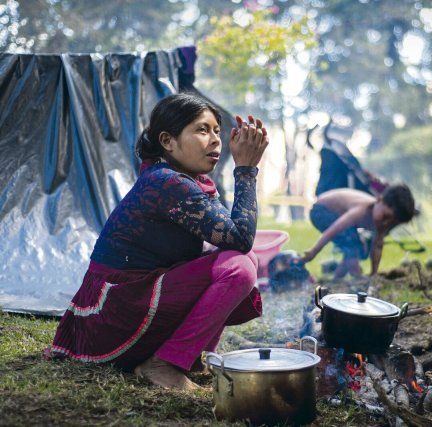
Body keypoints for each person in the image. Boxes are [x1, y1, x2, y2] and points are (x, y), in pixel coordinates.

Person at [46, 93, 269, 391]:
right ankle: (164, 366)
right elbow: (240, 238)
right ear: (168, 141)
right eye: (202, 130)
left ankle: (188, 359)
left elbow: (232, 239)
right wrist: (246, 170)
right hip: (113, 315)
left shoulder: (178, 178)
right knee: (239, 266)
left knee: (242, 260)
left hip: (127, 303)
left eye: (217, 130)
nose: (215, 139)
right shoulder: (167, 182)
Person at [301, 184, 416, 279]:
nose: (386, 223)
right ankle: (356, 277)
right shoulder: (361, 210)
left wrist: (374, 273)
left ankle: (337, 279)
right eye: (386, 216)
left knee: (360, 247)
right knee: (352, 242)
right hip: (320, 211)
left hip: (335, 216)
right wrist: (313, 252)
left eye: (392, 223)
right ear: (379, 200)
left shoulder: (382, 222)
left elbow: (377, 246)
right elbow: (334, 230)